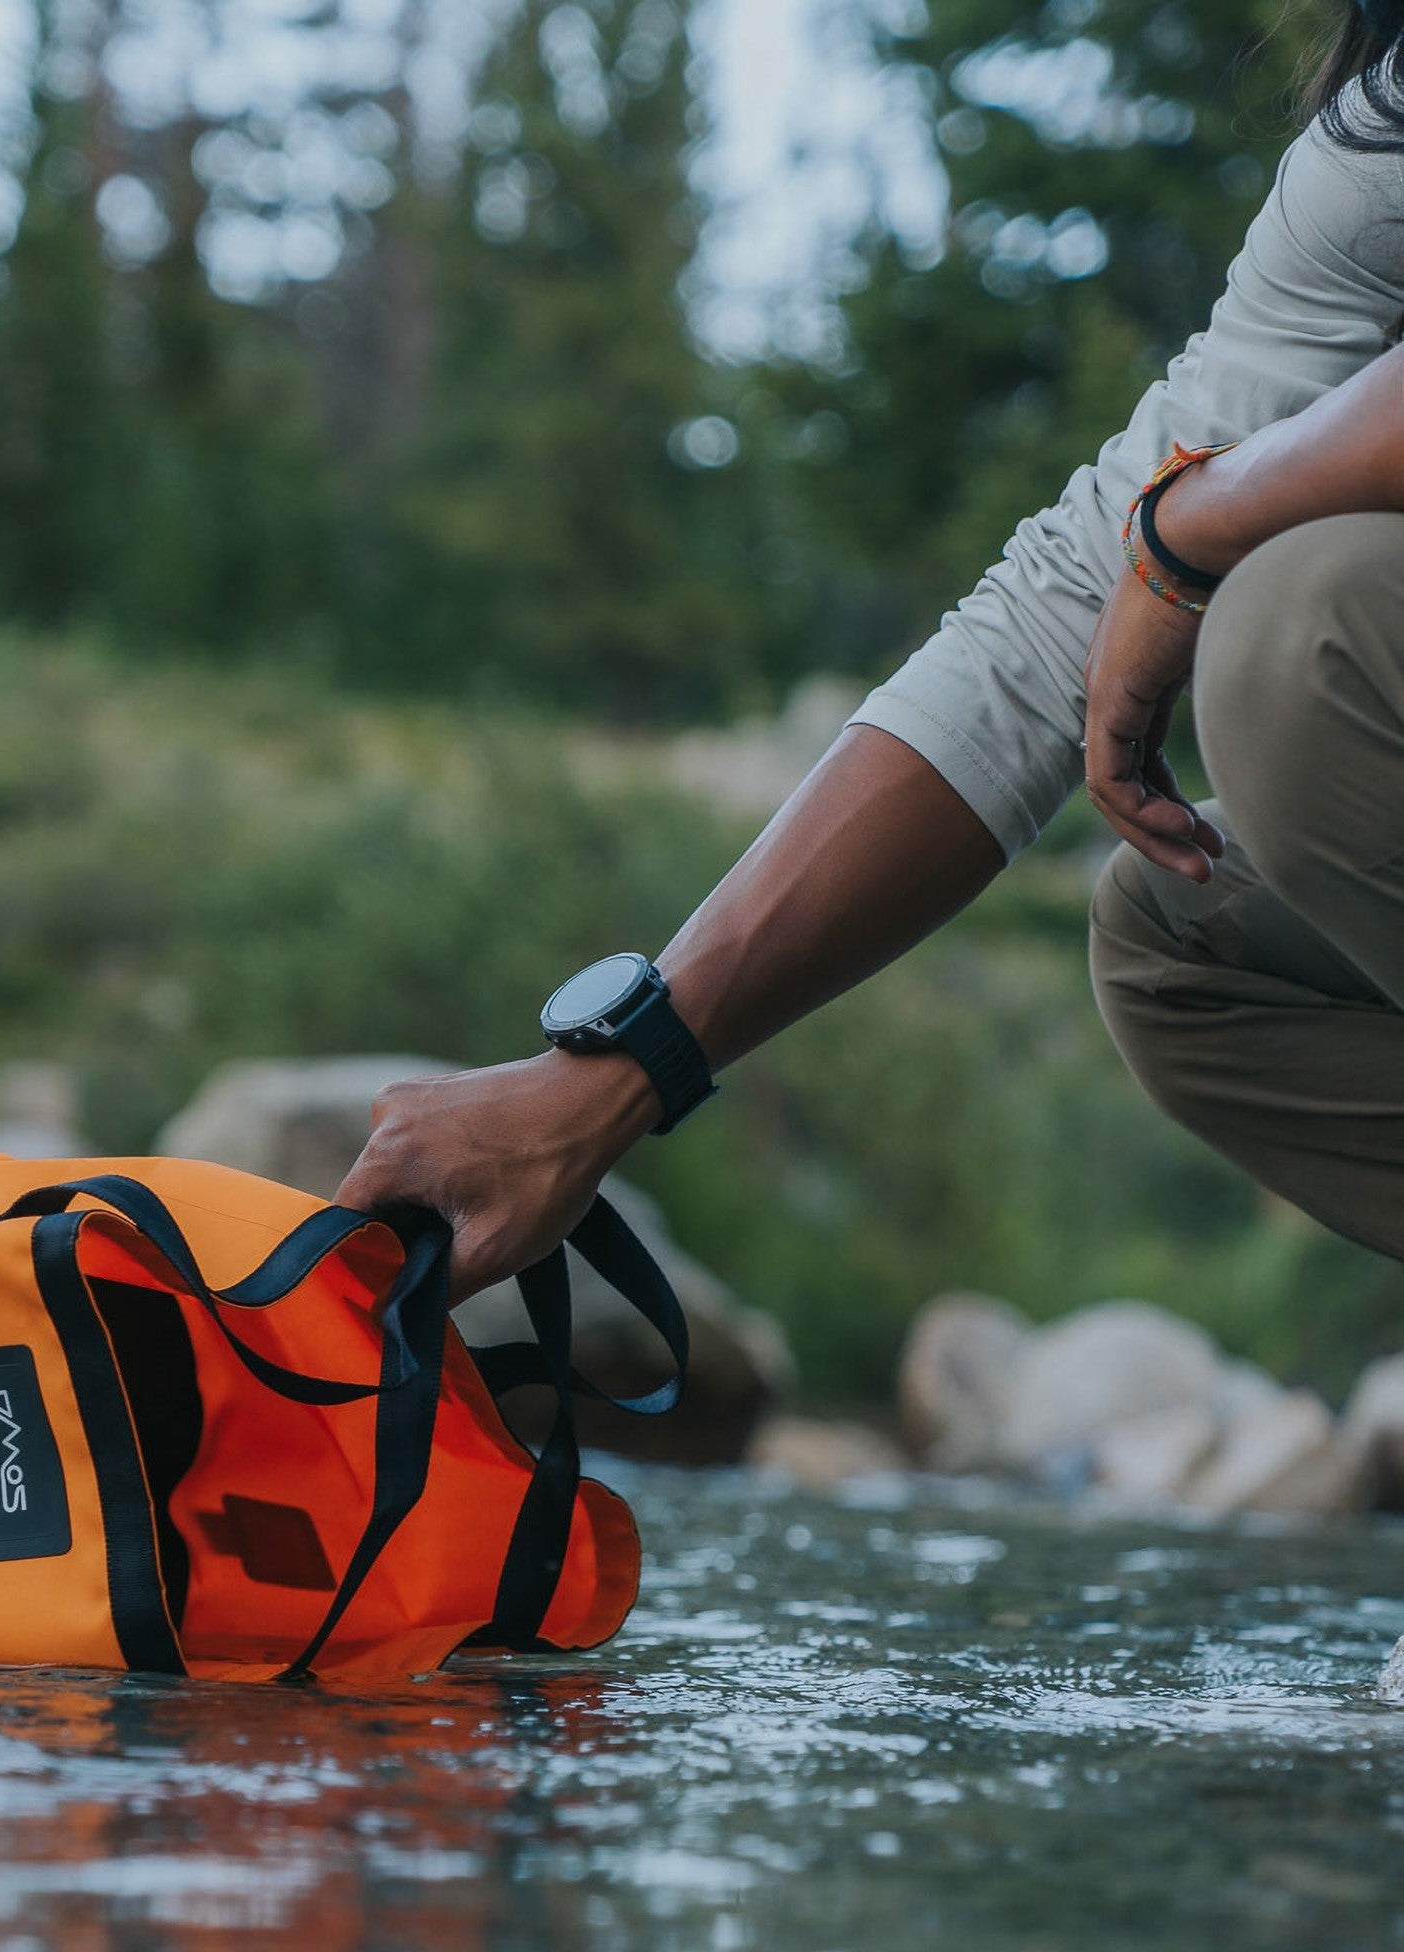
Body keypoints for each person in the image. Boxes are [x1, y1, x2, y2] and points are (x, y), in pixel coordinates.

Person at [337, 5, 1404, 1310]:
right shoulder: (1380, 129)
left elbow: (1170, 533)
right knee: (1183, 941)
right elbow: (1072, 593)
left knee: (1304, 632)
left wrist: (1207, 519)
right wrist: (618, 1072)